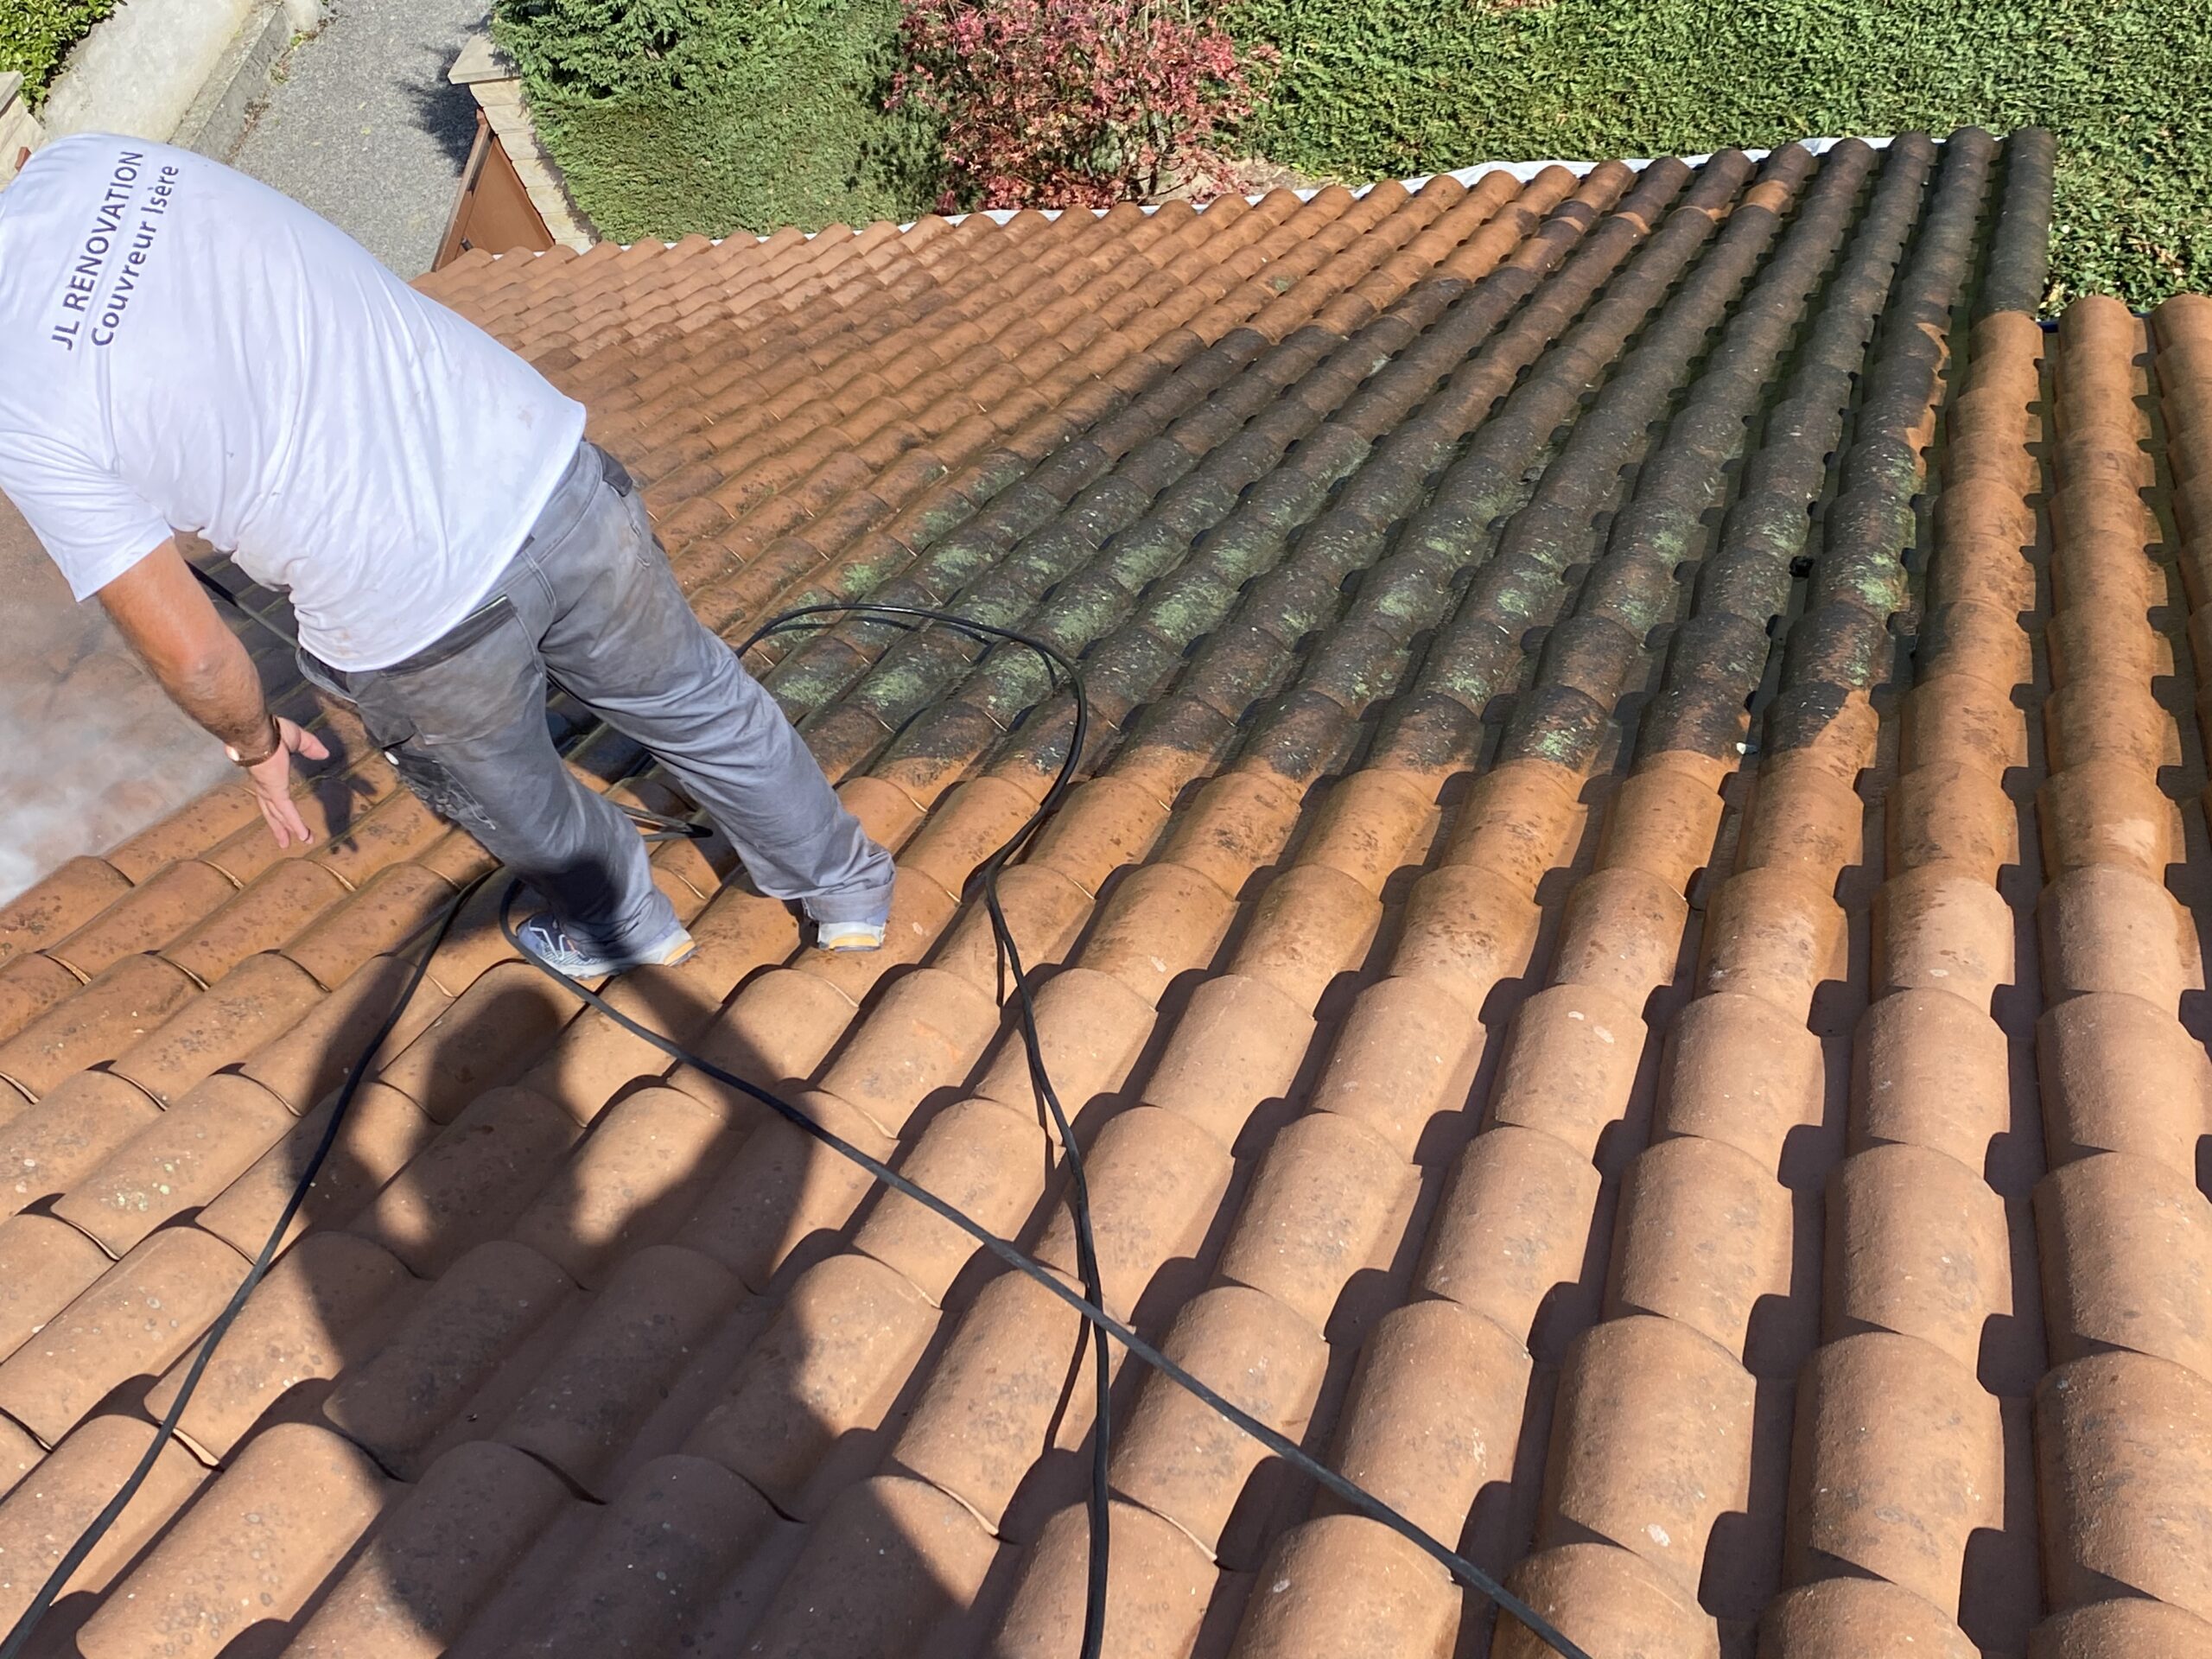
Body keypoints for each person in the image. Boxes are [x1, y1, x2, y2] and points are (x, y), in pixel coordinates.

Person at [0, 135, 895, 972]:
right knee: (698, 703)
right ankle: (847, 890)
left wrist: (253, 743)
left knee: (517, 794)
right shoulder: (100, 156)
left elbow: (195, 655)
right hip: (545, 469)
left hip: (412, 619)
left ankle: (626, 927)